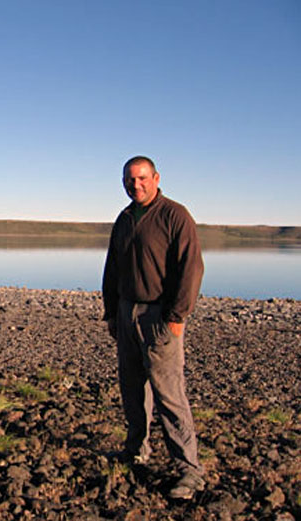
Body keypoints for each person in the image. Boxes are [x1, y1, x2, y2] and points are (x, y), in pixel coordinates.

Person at [102, 156, 205, 500]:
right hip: (127, 312)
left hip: (159, 316)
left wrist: (177, 317)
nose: (136, 185)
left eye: (142, 178)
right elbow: (113, 267)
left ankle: (189, 470)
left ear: (156, 178)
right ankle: (136, 450)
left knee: (169, 394)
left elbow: (191, 268)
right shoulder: (125, 218)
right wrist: (111, 311)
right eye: (130, 180)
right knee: (132, 389)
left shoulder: (175, 215)